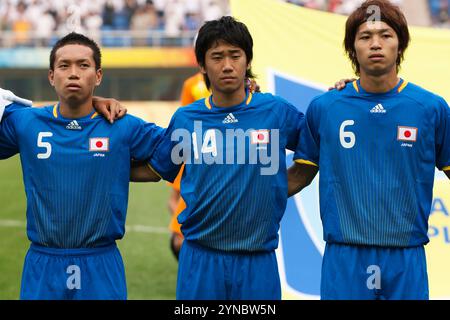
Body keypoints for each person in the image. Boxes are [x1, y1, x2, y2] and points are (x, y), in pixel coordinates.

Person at [132, 16, 307, 300]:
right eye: (217, 56)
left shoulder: (276, 112)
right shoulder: (187, 118)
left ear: (247, 60)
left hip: (257, 259)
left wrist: (279, 187)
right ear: (202, 64)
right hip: (200, 258)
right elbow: (158, 167)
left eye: (235, 55)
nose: (227, 65)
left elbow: (316, 148)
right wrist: (102, 165)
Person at [288, 0, 450, 300]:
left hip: (406, 257)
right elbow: (300, 174)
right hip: (345, 256)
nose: (376, 44)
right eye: (365, 37)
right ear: (353, 48)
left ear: (400, 44)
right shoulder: (326, 107)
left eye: (385, 35)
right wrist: (247, 188)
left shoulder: (431, 108)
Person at [0, 32, 163, 300]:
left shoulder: (123, 126)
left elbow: (173, 149)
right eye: (64, 66)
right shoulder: (25, 123)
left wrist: (116, 168)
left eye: (83, 66)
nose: (73, 73)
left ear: (98, 76)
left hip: (101, 261)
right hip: (43, 263)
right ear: (51, 76)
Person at [167, 71, 209, 260]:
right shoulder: (191, 84)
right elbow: (185, 117)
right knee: (179, 240)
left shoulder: (246, 85)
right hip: (196, 151)